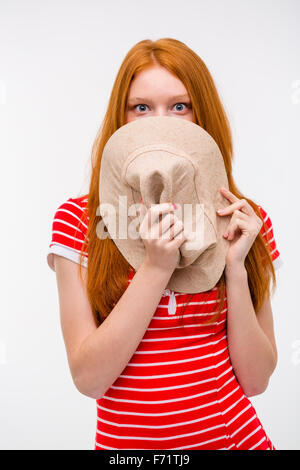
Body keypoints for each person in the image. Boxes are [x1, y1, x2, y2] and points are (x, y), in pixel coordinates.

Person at [47, 38, 283, 450]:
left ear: (201, 114)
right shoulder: (80, 220)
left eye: (180, 106)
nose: (163, 121)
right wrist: (155, 268)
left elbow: (257, 379)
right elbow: (89, 379)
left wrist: (234, 267)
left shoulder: (246, 218)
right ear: (121, 116)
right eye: (142, 107)